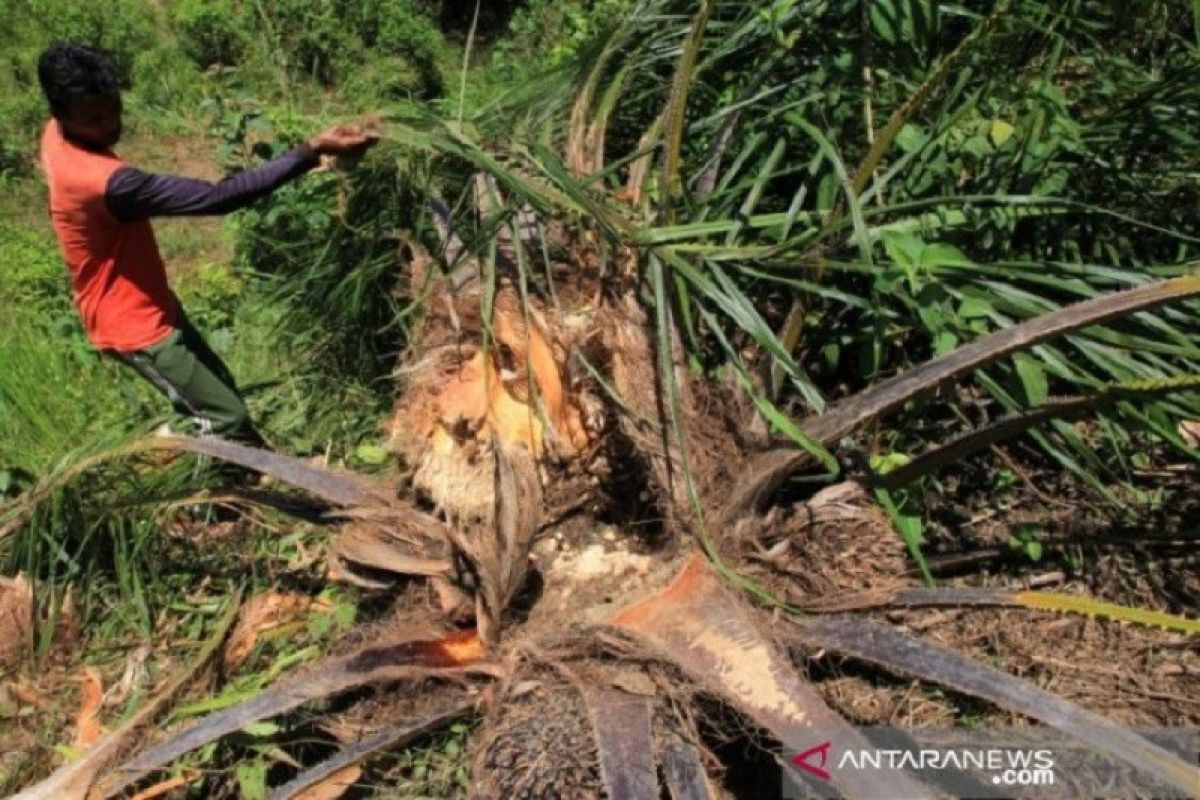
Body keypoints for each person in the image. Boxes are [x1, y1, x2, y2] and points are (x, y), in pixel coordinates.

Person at [36, 41, 376, 451]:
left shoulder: (56, 135)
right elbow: (218, 198)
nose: (109, 125)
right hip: (135, 327)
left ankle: (245, 471)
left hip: (150, 300)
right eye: (94, 118)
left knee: (221, 391)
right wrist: (311, 150)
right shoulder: (106, 183)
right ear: (62, 114)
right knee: (223, 416)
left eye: (113, 108)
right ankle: (185, 487)